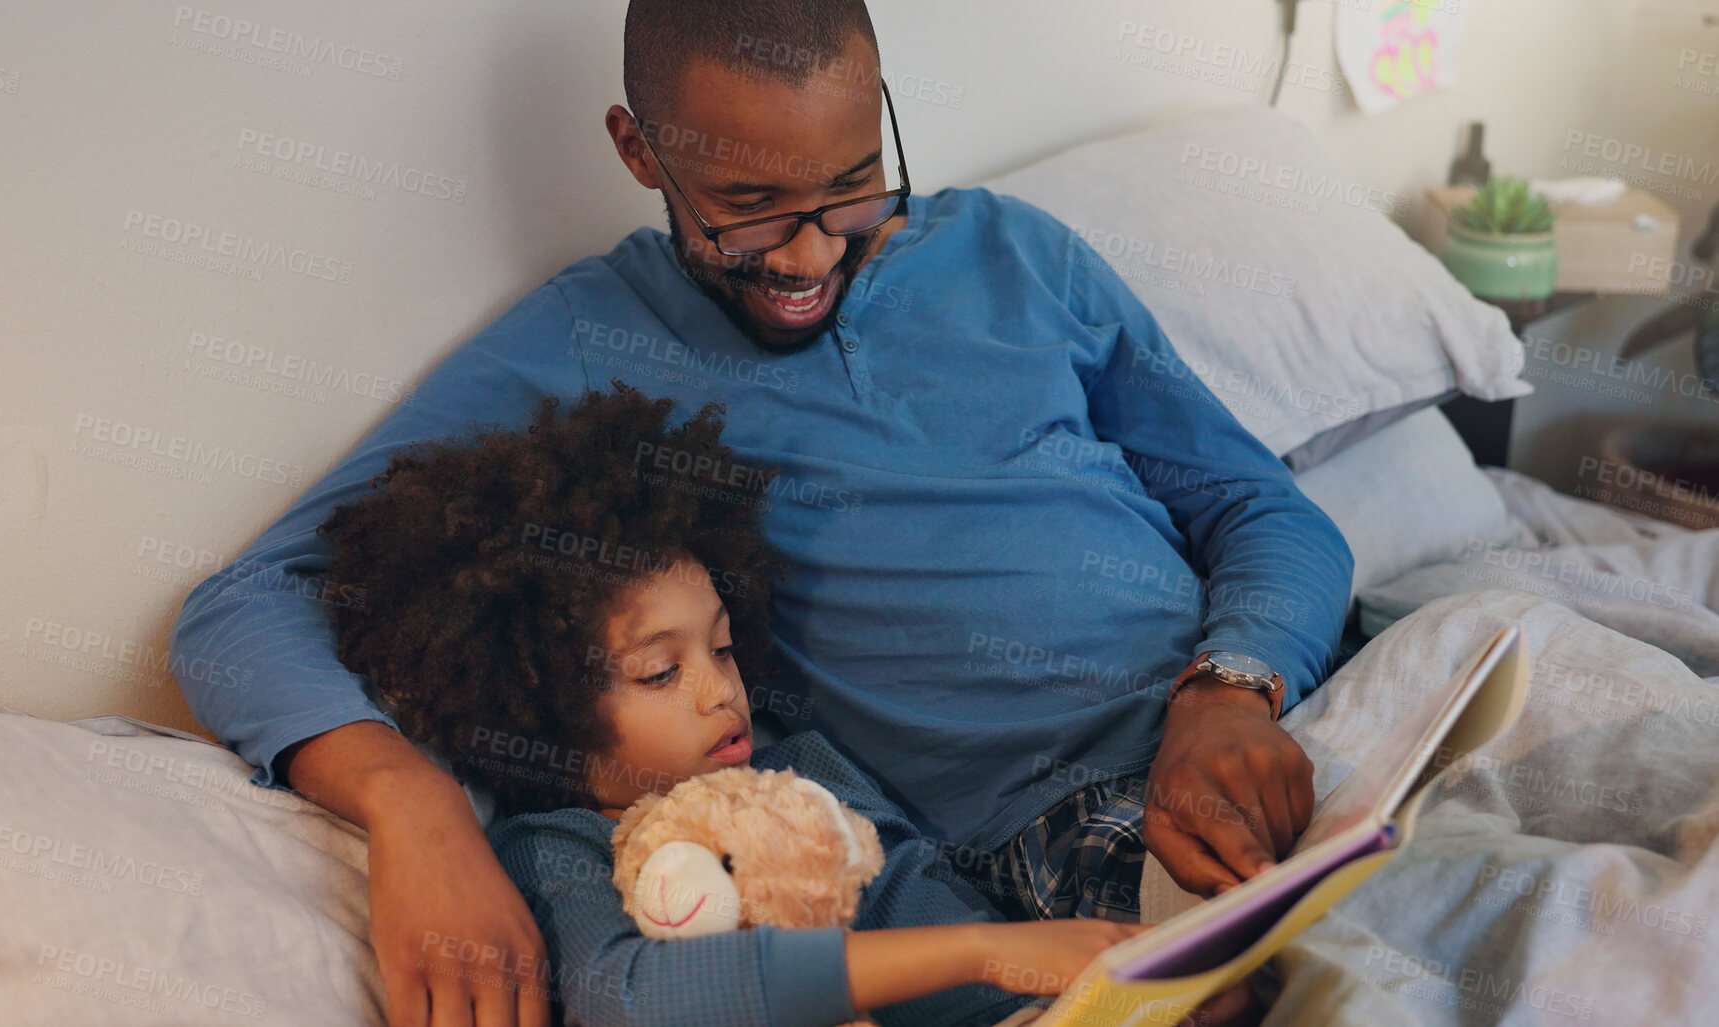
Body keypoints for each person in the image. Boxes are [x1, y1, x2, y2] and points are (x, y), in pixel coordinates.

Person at [170, 2, 1352, 1023]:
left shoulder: (1017, 253)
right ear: (639, 151)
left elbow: (1260, 507)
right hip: (1072, 844)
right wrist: (411, 806)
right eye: (749, 205)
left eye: (848, 185)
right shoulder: (589, 339)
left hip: (1283, 715)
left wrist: (1231, 683)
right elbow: (243, 606)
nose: (805, 253)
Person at [314, 382, 1158, 1027]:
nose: (721, 688)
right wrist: (989, 950)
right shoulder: (557, 845)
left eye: (721, 647)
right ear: (535, 705)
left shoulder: (798, 764)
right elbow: (627, 997)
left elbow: (923, 887)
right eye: (659, 673)